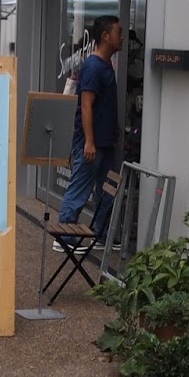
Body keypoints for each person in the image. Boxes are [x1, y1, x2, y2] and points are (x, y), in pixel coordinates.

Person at [56, 14, 124, 250]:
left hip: (105, 141)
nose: (122, 37)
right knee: (80, 189)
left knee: (108, 190)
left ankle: (100, 234)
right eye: (118, 32)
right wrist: (89, 142)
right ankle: (64, 236)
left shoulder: (105, 65)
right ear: (105, 36)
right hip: (91, 143)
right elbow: (86, 105)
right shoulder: (94, 66)